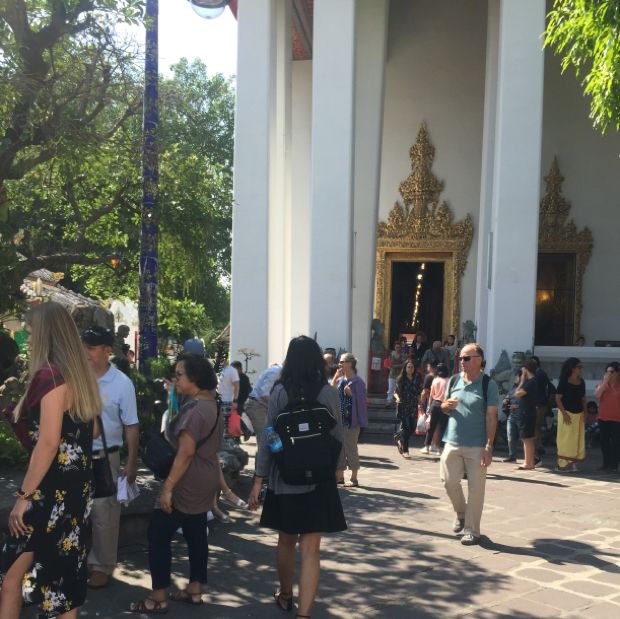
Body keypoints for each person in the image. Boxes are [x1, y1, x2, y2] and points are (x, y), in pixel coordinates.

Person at [0, 302, 101, 619]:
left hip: (49, 492)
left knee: (13, 577)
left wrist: (23, 498)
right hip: (75, 490)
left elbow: (47, 442)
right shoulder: (79, 376)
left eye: (30, 333)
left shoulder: (51, 375)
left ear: (45, 334)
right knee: (62, 585)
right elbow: (92, 430)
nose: (28, 341)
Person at [248, 336, 346, 619]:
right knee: (312, 549)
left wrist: (261, 476)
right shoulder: (327, 392)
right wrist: (338, 468)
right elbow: (337, 434)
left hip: (286, 478)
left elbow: (270, 436)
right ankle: (304, 615)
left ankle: (286, 593)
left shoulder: (280, 391)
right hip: (319, 479)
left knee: (286, 541)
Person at [129, 353, 222, 613]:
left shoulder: (195, 410)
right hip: (205, 477)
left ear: (195, 377)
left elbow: (186, 452)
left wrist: (168, 488)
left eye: (180, 374)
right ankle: (194, 589)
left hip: (187, 481)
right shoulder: (210, 403)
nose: (176, 378)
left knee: (158, 533)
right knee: (195, 531)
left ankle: (158, 596)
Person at [81, 325, 139, 589]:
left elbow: (132, 425)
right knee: (75, 510)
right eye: (84, 347)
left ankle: (102, 565)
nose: (86, 352)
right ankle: (78, 561)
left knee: (105, 514)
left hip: (107, 456)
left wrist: (131, 462)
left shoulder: (121, 384)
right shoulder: (76, 377)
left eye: (91, 348)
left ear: (107, 351)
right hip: (75, 455)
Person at [440, 343, 499, 546]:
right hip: (452, 441)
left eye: (466, 358)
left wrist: (489, 446)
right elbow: (444, 405)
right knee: (448, 481)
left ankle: (472, 531)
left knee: (476, 489)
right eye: (460, 358)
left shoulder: (488, 384)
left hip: (477, 445)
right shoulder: (454, 380)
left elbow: (492, 417)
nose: (461, 362)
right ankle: (461, 512)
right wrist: (445, 406)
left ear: (479, 360)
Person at [332, 352, 368, 487]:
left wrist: (352, 395)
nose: (340, 364)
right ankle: (340, 476)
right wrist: (335, 378)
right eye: (340, 362)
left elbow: (362, 403)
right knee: (339, 449)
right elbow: (331, 392)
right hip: (339, 420)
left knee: (351, 448)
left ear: (350, 364)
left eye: (342, 362)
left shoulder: (358, 382)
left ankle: (354, 478)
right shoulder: (341, 380)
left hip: (351, 421)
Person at [554, 357, 586, 472]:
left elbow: (583, 399)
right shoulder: (564, 381)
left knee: (576, 439)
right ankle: (562, 464)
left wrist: (585, 413)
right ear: (572, 369)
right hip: (566, 413)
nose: (581, 369)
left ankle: (572, 463)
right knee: (565, 439)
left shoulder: (581, 382)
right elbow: (557, 399)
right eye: (579, 367)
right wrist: (564, 413)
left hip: (579, 414)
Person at [245, 364, 282, 451]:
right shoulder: (276, 372)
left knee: (272, 443)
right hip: (258, 406)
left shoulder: (278, 371)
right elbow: (264, 395)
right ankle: (262, 464)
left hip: (263, 406)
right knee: (265, 443)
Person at [594, 362, 620, 473]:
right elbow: (597, 396)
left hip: (617, 419)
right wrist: (605, 382)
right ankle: (606, 463)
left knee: (616, 443)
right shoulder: (602, 384)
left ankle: (614, 465)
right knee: (604, 442)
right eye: (607, 371)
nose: (609, 374)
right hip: (603, 418)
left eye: (612, 372)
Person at [394, 359, 423, 458]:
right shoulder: (401, 379)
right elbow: (396, 392)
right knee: (406, 428)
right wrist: (397, 399)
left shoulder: (417, 378)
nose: (410, 369)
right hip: (404, 405)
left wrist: (420, 402)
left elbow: (419, 391)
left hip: (414, 406)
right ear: (405, 368)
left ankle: (398, 437)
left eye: (412, 367)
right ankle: (405, 450)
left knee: (413, 427)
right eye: (408, 367)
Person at [514, 360, 539, 470]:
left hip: (527, 413)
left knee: (526, 439)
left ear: (526, 369)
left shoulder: (530, 382)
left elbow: (518, 393)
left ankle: (528, 462)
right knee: (528, 439)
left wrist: (522, 381)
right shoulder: (533, 381)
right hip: (528, 412)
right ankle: (529, 461)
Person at [422, 362, 450, 455]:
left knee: (432, 426)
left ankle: (427, 447)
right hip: (445, 405)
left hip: (435, 404)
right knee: (442, 427)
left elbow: (431, 395)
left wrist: (429, 406)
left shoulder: (435, 380)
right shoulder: (449, 381)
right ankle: (439, 447)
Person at [530, 355, 552, 458]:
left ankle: (538, 447)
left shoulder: (538, 375)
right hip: (541, 404)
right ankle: (539, 446)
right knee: (536, 427)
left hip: (539, 404)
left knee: (534, 427)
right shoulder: (541, 374)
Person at [502, 372, 521, 463]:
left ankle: (533, 457)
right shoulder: (513, 387)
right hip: (512, 415)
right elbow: (508, 396)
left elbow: (530, 402)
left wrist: (518, 406)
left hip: (521, 415)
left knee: (525, 438)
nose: (515, 378)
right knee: (510, 435)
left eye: (517, 376)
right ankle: (512, 456)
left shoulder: (526, 387)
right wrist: (506, 400)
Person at [217, 358, 239, 433]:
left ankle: (229, 443)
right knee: (221, 425)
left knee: (226, 426)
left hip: (228, 401)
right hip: (219, 401)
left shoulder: (232, 370)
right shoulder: (221, 370)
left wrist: (235, 400)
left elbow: (237, 385)